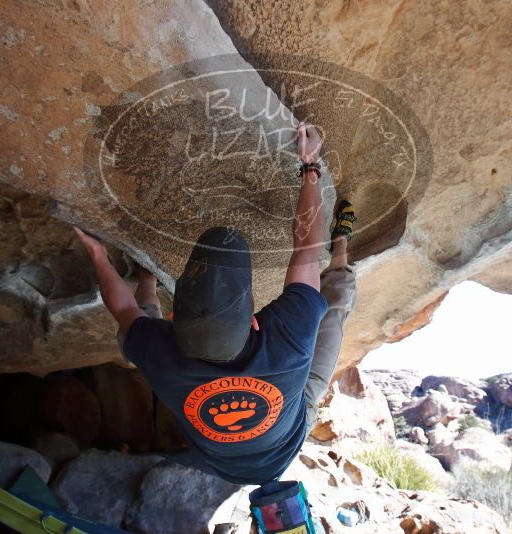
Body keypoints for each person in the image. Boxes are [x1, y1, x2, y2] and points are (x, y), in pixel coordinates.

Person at [75, 123, 357, 485]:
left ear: (174, 319)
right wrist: (310, 164)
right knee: (332, 305)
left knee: (135, 333)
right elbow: (307, 251)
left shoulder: (163, 355)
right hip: (290, 430)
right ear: (256, 321)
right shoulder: (286, 342)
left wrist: (99, 255)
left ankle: (147, 277)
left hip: (223, 461)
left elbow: (124, 310)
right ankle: (344, 243)